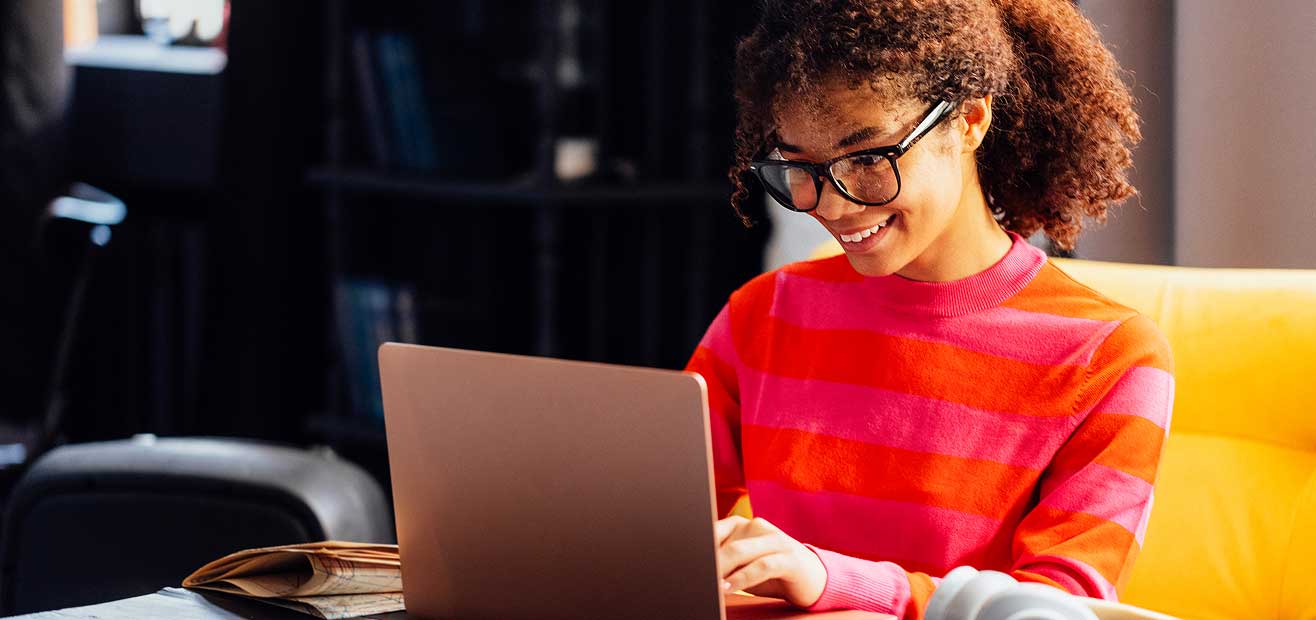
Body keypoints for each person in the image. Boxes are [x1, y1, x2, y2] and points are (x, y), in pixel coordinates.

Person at [684, 1, 1174, 618]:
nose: (831, 207)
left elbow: (1056, 608)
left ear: (969, 121)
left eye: (867, 160)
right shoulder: (765, 312)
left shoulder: (1110, 355)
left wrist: (833, 579)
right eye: (800, 167)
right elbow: (660, 533)